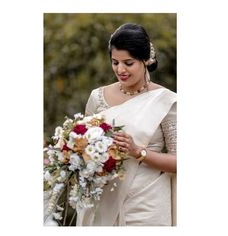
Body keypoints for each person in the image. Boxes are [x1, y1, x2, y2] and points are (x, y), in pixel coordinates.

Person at [76, 23, 177, 226]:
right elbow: (81, 146)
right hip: (104, 199)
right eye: (115, 62)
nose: (120, 70)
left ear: (145, 60)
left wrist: (138, 151)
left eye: (128, 63)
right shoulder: (97, 97)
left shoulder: (166, 101)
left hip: (148, 204)